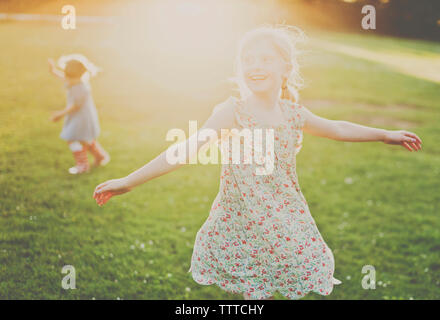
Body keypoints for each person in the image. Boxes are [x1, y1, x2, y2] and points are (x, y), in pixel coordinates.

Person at [93, 25, 422, 299]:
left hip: (284, 212)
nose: (256, 65)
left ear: (285, 69)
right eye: (248, 59)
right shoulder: (231, 112)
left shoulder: (293, 113)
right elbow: (188, 148)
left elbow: (337, 128)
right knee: (251, 283)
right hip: (240, 217)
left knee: (303, 264)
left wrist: (384, 134)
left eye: (266, 58)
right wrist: (128, 181)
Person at [49, 54, 110, 174]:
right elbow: (64, 78)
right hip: (79, 117)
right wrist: (53, 71)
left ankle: (82, 165)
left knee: (73, 139)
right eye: (67, 76)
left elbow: (76, 106)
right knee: (85, 139)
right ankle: (100, 156)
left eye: (70, 78)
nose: (67, 80)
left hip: (82, 118)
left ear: (79, 76)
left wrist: (60, 114)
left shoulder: (82, 88)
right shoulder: (74, 81)